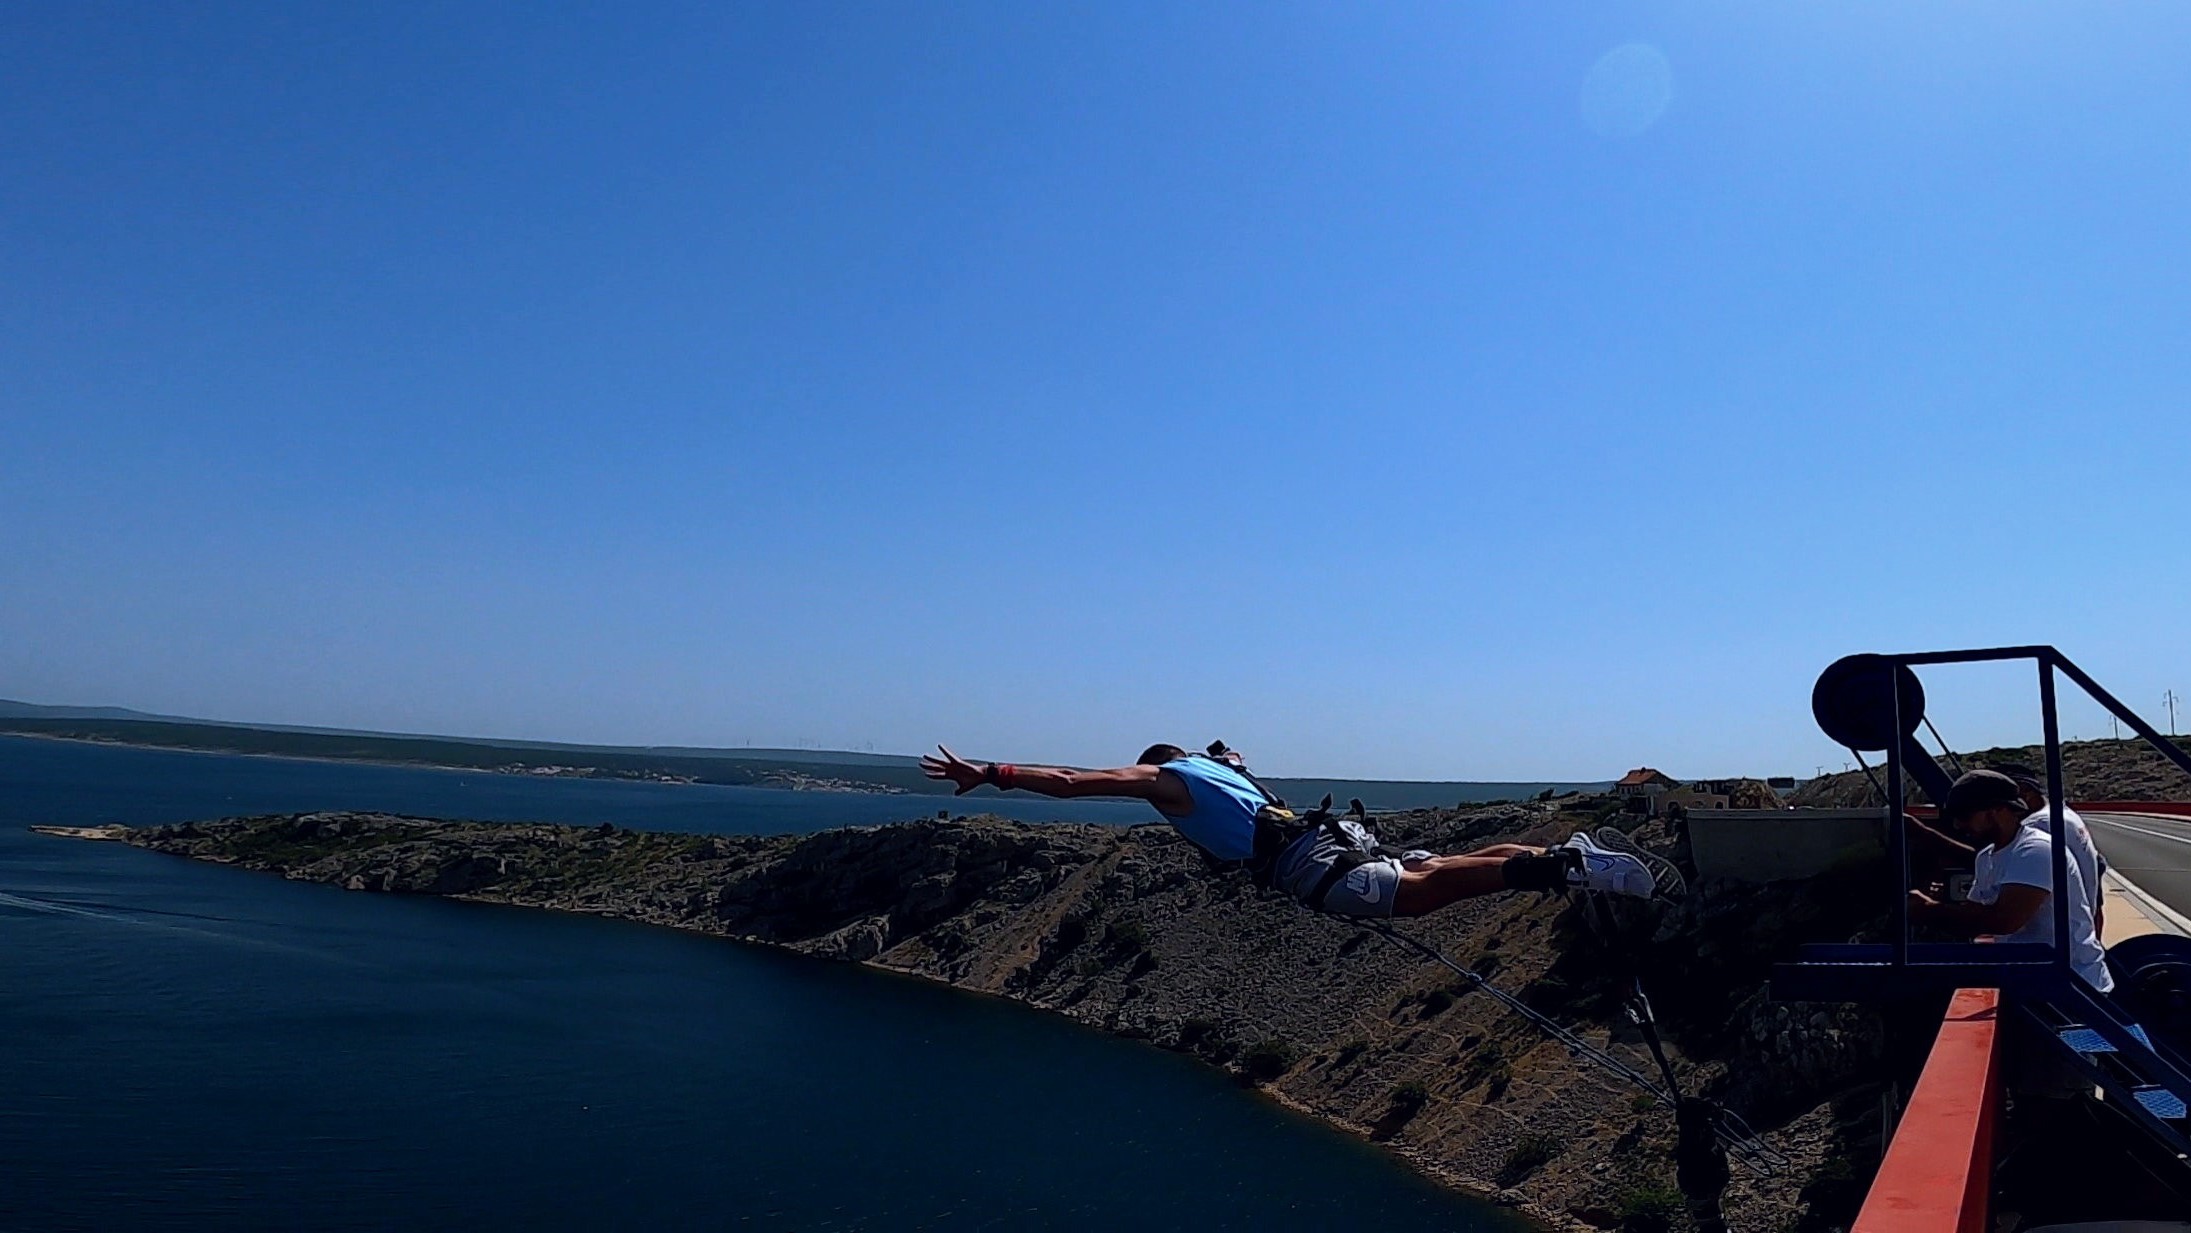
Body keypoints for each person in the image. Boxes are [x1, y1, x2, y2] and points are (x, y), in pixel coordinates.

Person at [919, 743, 1662, 919]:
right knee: (1450, 863)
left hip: (1326, 867)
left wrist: (991, 773)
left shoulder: (1164, 779)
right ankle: (1559, 855)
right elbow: (1235, 761)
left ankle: (1568, 870)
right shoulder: (1230, 775)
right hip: (1342, 844)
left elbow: (1079, 783)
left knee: (1427, 891)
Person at [1909, 769, 2113, 991]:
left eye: (1964, 816)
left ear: (1998, 810)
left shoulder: (2036, 850)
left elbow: (2004, 921)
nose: (1958, 826)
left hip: (2073, 987)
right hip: (2034, 980)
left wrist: (1928, 910)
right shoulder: (1986, 857)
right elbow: (1973, 914)